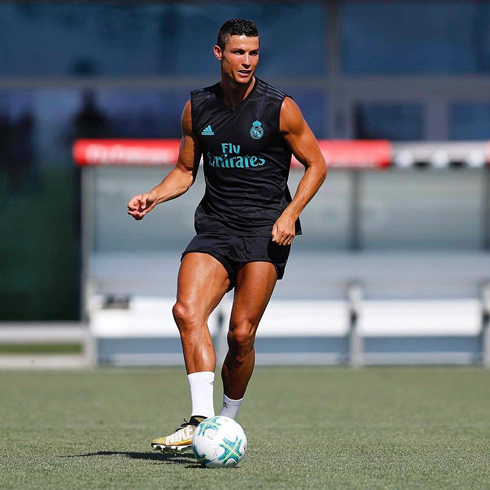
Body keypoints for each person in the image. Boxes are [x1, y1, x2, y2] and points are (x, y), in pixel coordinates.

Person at [127, 18, 327, 452]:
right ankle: (201, 421)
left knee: (240, 335)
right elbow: (184, 171)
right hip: (216, 227)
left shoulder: (280, 107)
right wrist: (154, 196)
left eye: (254, 53)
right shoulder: (196, 107)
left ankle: (227, 423)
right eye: (238, 52)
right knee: (186, 311)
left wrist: (291, 213)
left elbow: (317, 164)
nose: (247, 61)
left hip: (265, 230)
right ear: (219, 54)